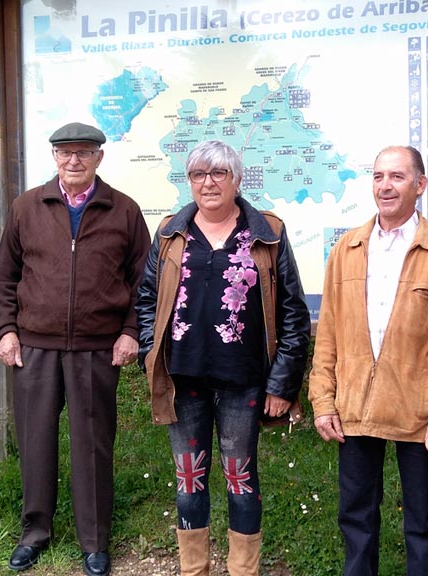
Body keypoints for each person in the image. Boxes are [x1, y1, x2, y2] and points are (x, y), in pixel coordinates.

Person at [136, 140, 311, 576]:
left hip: (243, 381)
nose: (208, 183)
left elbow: (292, 313)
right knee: (189, 481)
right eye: (198, 174)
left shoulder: (267, 232)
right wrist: (149, 353)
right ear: (189, 181)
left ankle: (243, 570)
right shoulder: (169, 234)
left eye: (218, 174)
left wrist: (282, 385)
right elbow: (145, 300)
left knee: (240, 480)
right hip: (182, 381)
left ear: (237, 179)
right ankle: (194, 569)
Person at [308, 145, 428, 576]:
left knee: (422, 525)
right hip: (355, 408)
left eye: (398, 177)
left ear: (420, 185)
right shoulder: (347, 248)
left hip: (419, 413)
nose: (386, 185)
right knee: (356, 520)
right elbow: (328, 333)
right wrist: (323, 399)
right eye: (379, 176)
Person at [0, 122, 151, 576]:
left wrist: (129, 332)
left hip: (97, 348)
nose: (74, 161)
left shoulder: (123, 210)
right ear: (54, 157)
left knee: (93, 445)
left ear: (100, 157)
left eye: (83, 153)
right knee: (36, 440)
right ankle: (34, 532)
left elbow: (143, 283)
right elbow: (5, 277)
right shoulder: (28, 207)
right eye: (65, 153)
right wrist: (6, 330)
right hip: (35, 346)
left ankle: (95, 541)